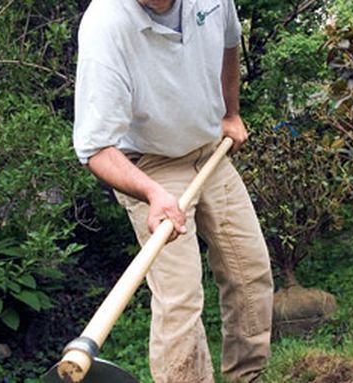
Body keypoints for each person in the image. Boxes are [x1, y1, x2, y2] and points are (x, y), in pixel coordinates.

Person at [73, 0, 273, 381]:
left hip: (210, 151)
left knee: (251, 273)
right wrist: (151, 193)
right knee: (179, 301)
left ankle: (248, 378)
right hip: (150, 165)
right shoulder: (106, 25)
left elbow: (230, 42)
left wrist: (231, 112)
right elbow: (95, 148)